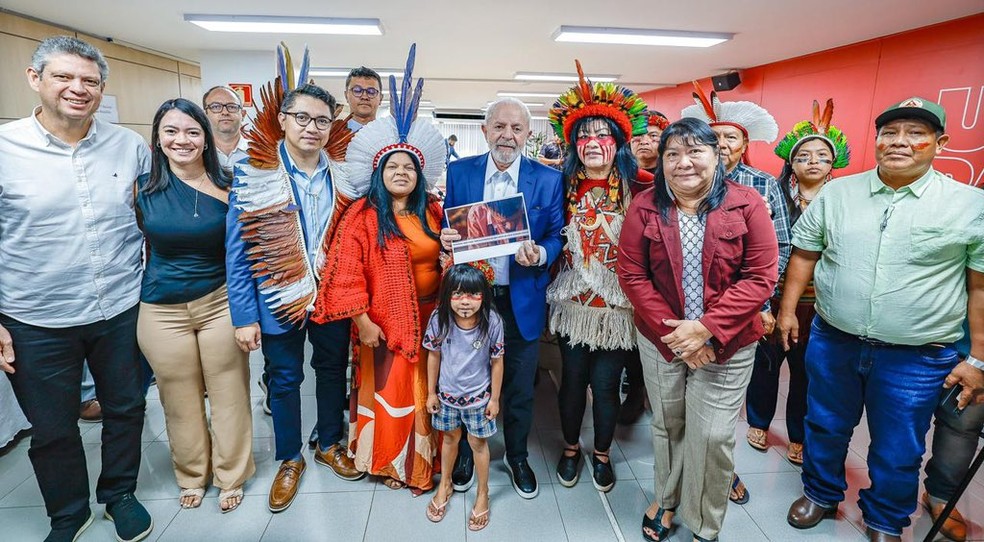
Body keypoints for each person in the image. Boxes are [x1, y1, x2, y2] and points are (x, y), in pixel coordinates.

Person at [779, 97, 984, 542]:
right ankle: (820, 493)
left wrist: (979, 359)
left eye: (915, 133)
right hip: (835, 340)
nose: (900, 142)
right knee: (825, 424)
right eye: (890, 133)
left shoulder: (969, 205)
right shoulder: (839, 193)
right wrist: (788, 310)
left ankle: (885, 519)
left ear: (940, 142)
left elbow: (979, 287)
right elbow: (805, 255)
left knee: (898, 445)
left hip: (918, 355)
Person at [0, 36, 153, 542]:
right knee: (52, 427)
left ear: (101, 88)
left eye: (89, 80)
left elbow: (151, 220)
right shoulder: (5, 149)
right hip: (34, 317)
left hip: (119, 307)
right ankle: (68, 512)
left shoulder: (129, 146)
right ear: (34, 78)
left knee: (126, 408)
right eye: (64, 77)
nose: (77, 88)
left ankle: (119, 494)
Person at [617, 117, 779, 542]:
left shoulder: (747, 203)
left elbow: (761, 277)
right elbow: (632, 275)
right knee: (668, 425)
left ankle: (704, 521)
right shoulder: (645, 205)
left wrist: (706, 329)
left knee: (711, 435)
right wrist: (680, 336)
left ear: (717, 156)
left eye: (695, 151)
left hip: (729, 342)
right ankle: (666, 501)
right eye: (672, 154)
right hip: (661, 338)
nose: (683, 162)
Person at [226, 45, 365, 514]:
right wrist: (244, 317)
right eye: (302, 118)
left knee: (330, 371)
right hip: (276, 298)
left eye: (322, 121)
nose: (312, 128)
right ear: (282, 119)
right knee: (283, 379)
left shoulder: (346, 177)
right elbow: (239, 252)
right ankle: (289, 458)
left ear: (332, 127)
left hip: (332, 294)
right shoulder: (252, 173)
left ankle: (329, 442)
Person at [313, 44, 445, 493]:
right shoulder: (362, 217)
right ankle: (389, 464)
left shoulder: (435, 212)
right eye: (394, 165)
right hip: (383, 325)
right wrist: (362, 320)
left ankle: (423, 466)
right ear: (379, 171)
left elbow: (454, 257)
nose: (402, 171)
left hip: (432, 320)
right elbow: (344, 274)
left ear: (420, 173)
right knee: (390, 396)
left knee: (425, 395)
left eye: (410, 166)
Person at [441, 97, 565, 499]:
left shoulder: (547, 179)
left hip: (520, 298)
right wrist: (445, 237)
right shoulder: (460, 171)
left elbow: (555, 235)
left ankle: (516, 455)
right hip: (471, 300)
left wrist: (542, 253)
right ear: (485, 131)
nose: (507, 136)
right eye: (499, 127)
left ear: (529, 135)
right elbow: (447, 224)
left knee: (518, 386)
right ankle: (462, 453)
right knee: (463, 377)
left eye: (516, 129)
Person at [136, 98, 255, 512]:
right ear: (158, 138)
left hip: (219, 300)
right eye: (171, 131)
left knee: (229, 392)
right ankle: (191, 474)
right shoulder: (142, 189)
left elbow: (244, 252)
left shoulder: (231, 183)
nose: (181, 140)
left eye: (191, 131)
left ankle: (231, 475)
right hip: (160, 308)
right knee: (178, 396)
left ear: (205, 137)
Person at [545, 61, 652, 493]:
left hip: (619, 308)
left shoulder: (643, 185)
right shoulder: (558, 183)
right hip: (573, 306)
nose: (592, 143)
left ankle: (602, 455)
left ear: (619, 143)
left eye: (601, 135)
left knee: (606, 386)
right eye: (584, 136)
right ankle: (571, 449)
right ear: (573, 143)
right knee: (572, 381)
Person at [681, 82, 789, 504]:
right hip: (682, 318)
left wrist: (759, 306)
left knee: (722, 410)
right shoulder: (681, 182)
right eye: (715, 137)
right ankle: (687, 470)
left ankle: (722, 473)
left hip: (738, 316)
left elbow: (774, 256)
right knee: (683, 405)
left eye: (731, 138)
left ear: (745, 144)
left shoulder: (762, 186)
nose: (722, 145)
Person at [744, 99, 851, 466]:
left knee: (807, 370)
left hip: (818, 303)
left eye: (822, 155)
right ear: (791, 161)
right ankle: (758, 421)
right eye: (804, 156)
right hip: (773, 297)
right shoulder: (772, 195)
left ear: (832, 162)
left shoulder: (843, 200)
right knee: (767, 363)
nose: (813, 162)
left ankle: (797, 435)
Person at [424, 263, 504, 531]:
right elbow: (433, 355)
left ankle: (483, 493)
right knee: (449, 439)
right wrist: (431, 392)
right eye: (457, 294)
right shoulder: (439, 319)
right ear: (446, 295)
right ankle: (445, 484)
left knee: (478, 444)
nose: (465, 302)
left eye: (472, 294)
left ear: (484, 294)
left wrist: (494, 399)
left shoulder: (492, 321)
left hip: (478, 399)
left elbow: (497, 361)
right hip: (447, 397)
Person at [620, 109, 671, 425]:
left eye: (654, 136)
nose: (646, 142)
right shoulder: (620, 176)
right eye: (639, 136)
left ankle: (640, 391)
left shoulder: (672, 182)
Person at [922, 319, 980, 542]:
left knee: (962, 424)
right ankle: (887, 495)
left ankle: (940, 496)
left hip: (972, 350)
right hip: (917, 335)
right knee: (898, 420)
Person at [202, 85, 249, 170]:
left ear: (243, 114)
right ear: (205, 115)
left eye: (232, 107)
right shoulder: (196, 153)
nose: (225, 112)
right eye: (216, 107)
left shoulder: (262, 152)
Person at [630, 111, 670, 175]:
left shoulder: (673, 174)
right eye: (638, 135)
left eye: (653, 135)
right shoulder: (618, 175)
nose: (644, 142)